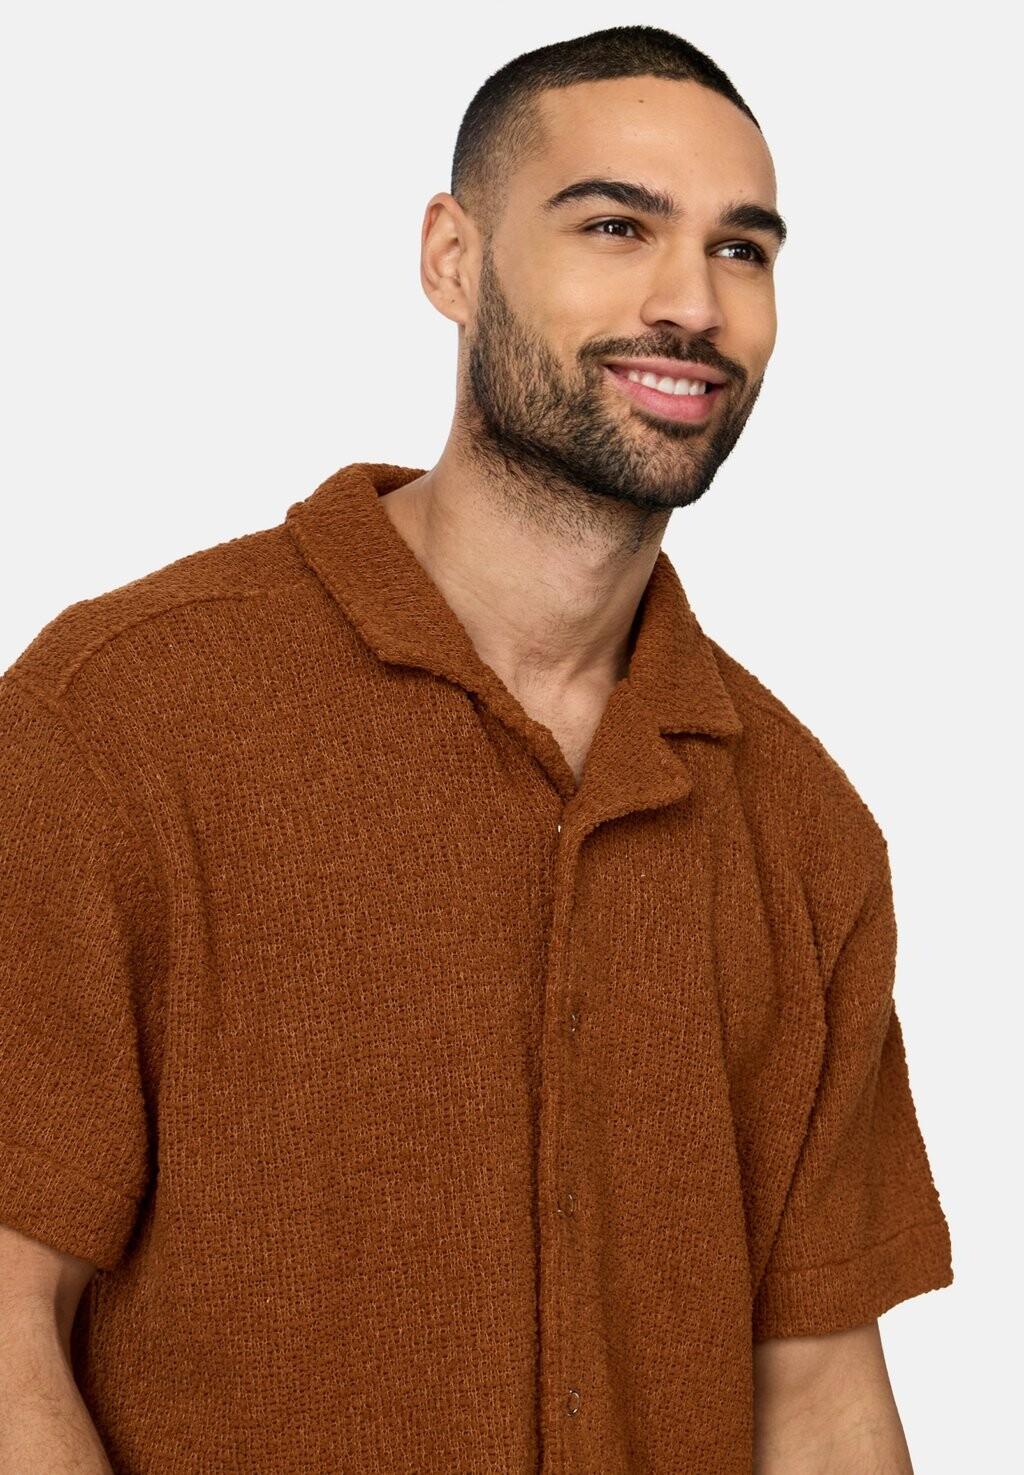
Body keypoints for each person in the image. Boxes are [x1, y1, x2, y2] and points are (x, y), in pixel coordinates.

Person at [0, 24, 953, 1475]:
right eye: (617, 226)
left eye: (742, 250)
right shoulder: (119, 718)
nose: (692, 302)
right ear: (453, 258)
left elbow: (819, 1397)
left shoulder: (803, 826)